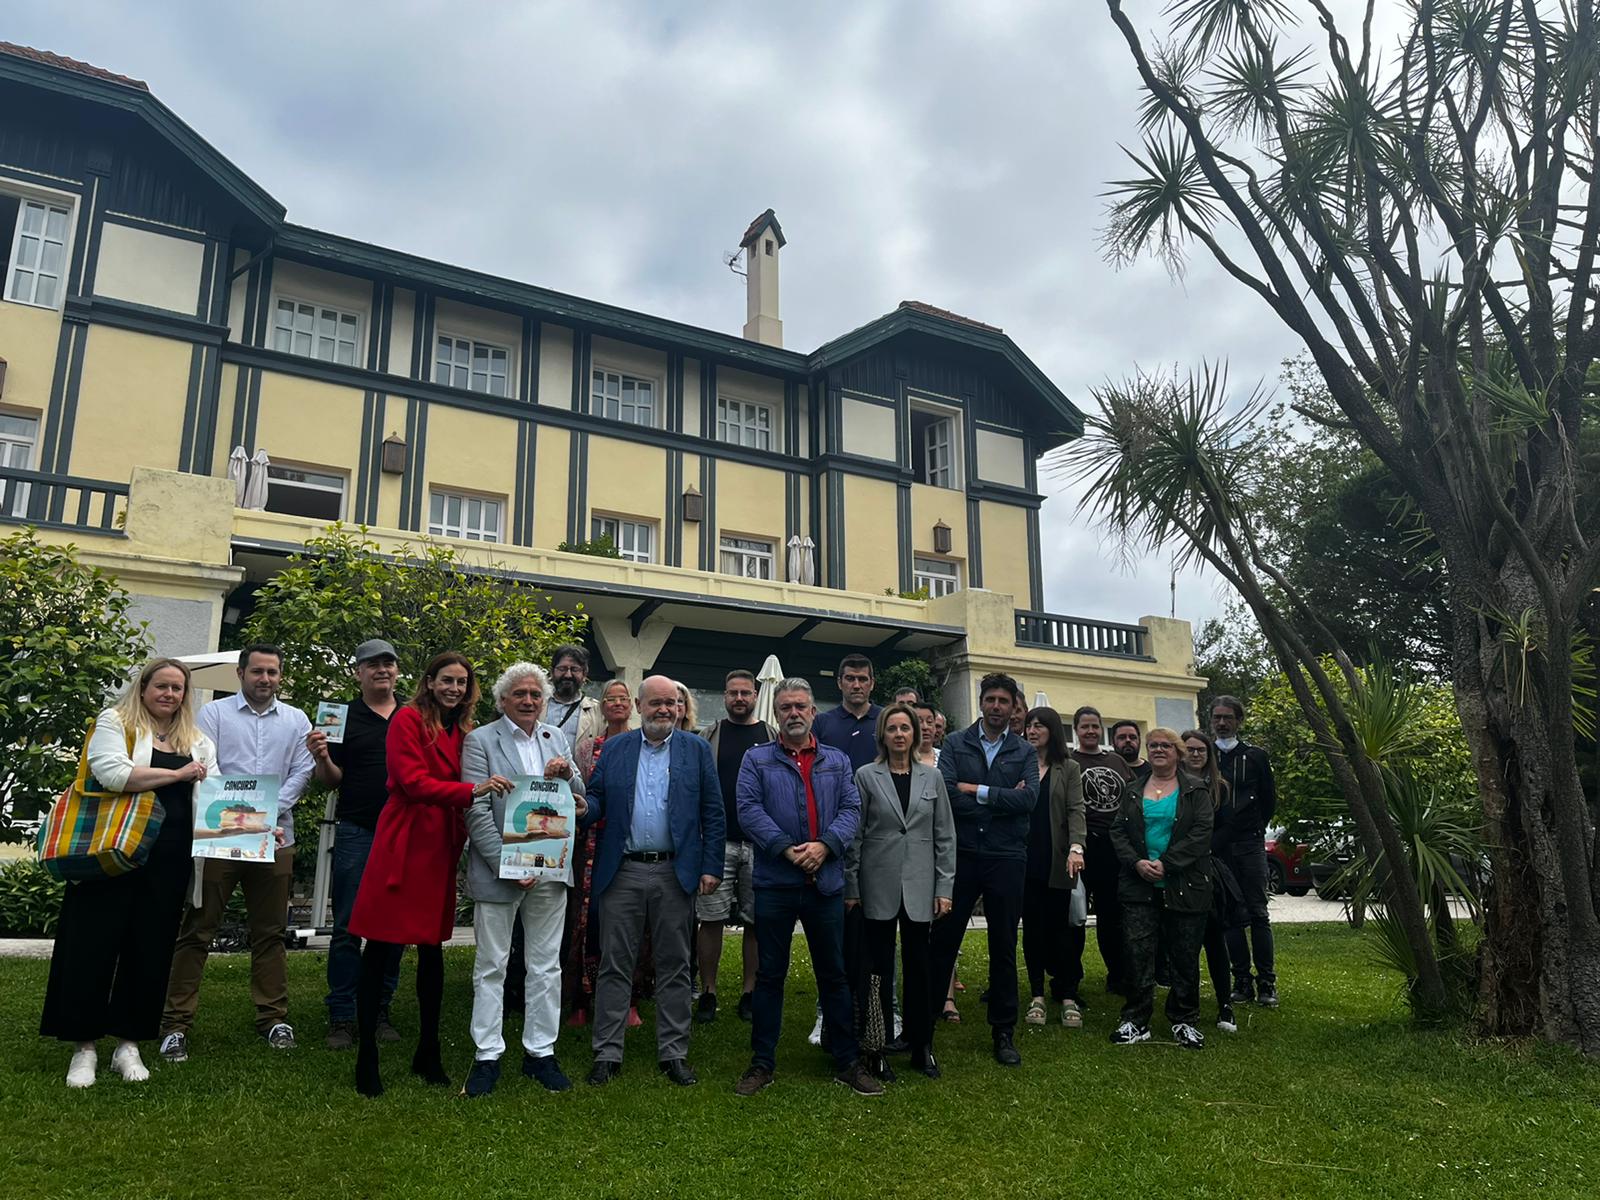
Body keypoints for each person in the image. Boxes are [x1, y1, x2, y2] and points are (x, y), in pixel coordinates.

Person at [41, 659, 220, 1088]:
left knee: (151, 951)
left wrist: (246, 822)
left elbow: (214, 794)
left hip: (169, 861)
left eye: (178, 688)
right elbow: (113, 773)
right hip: (111, 854)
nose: (170, 694)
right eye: (162, 686)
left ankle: (129, 1043)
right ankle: (83, 1049)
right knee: (90, 946)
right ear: (143, 688)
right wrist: (177, 774)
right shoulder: (116, 722)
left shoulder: (197, 741)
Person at [350, 651, 509, 1097]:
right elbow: (411, 782)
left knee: (431, 952)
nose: (454, 688)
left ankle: (429, 1050)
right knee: (379, 950)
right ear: (429, 681)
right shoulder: (406, 720)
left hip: (439, 846)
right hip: (403, 844)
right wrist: (472, 790)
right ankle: (368, 1057)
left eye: (462, 682)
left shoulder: (467, 733)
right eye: (447, 680)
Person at [160, 644, 312, 1061]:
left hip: (277, 836)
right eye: (257, 672)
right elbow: (207, 766)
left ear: (281, 676)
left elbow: (304, 770)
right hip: (219, 835)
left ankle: (273, 1018)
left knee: (270, 932)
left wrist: (269, 811)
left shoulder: (297, 720)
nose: (265, 679)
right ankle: (176, 1024)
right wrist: (247, 813)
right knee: (197, 929)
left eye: (273, 673)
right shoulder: (214, 715)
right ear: (241, 674)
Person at [732, 678, 881, 1097]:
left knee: (833, 974)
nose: (793, 713)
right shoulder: (756, 760)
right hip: (776, 882)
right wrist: (786, 850)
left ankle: (848, 1061)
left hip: (826, 883)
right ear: (775, 715)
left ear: (813, 712)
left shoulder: (836, 760)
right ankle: (762, 1062)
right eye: (785, 708)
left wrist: (826, 845)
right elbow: (748, 810)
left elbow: (852, 808)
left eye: (801, 706)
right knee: (769, 976)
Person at [580, 675, 724, 1088]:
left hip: (674, 871)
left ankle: (673, 1052)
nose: (665, 709)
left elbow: (713, 812)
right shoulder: (617, 749)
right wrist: (579, 805)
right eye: (656, 703)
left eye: (672, 703)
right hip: (622, 869)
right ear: (639, 706)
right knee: (614, 963)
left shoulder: (696, 750)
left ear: (680, 707)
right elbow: (597, 801)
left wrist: (710, 866)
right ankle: (607, 1052)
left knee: (676, 965)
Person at [461, 663, 587, 1096]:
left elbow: (580, 802)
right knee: (492, 965)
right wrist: (508, 864)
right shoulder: (480, 741)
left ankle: (540, 1052)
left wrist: (568, 776)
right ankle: (487, 1055)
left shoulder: (556, 738)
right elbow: (474, 809)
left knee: (546, 965)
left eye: (536, 694)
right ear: (502, 700)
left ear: (545, 700)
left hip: (550, 870)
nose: (529, 700)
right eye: (520, 694)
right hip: (501, 871)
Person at [926, 673, 1040, 1067]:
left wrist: (978, 791)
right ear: (981, 703)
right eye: (990, 699)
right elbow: (948, 794)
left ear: (1012, 707)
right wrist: (1000, 800)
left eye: (1003, 701)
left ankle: (1003, 1030)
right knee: (942, 939)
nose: (996, 706)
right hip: (962, 854)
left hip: (1007, 856)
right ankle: (923, 1026)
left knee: (1004, 945)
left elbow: (1029, 802)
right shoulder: (956, 743)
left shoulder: (1025, 751)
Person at [845, 704, 955, 1081]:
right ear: (882, 735)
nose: (898, 735)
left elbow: (945, 836)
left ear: (915, 734)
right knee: (877, 970)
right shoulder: (865, 776)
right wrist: (851, 886)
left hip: (921, 886)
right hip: (877, 884)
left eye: (905, 728)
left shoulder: (932, 778)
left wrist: (945, 887)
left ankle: (921, 1044)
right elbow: (855, 836)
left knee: (920, 968)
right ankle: (876, 1046)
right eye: (891, 728)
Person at [307, 639, 405, 1051]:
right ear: (358, 672)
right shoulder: (340, 717)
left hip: (404, 834)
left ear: (398, 671)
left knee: (393, 927)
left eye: (388, 663)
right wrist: (322, 758)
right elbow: (331, 781)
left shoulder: (413, 716)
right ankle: (342, 1016)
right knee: (347, 926)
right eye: (372, 665)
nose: (382, 670)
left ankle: (378, 1010)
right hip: (357, 830)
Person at [1108, 728, 1214, 1050]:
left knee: (1184, 956)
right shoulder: (1131, 790)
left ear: (1178, 752)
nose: (1157, 750)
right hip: (1139, 886)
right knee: (1138, 954)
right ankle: (1136, 1021)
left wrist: (1167, 863)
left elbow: (1201, 833)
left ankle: (1184, 1020)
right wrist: (1137, 863)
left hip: (1185, 885)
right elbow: (1118, 831)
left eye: (1165, 745)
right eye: (1152, 745)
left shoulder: (1196, 790)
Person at [695, 670, 773, 1025]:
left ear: (755, 695)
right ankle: (708, 991)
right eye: (733, 693)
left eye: (745, 692)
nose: (739, 698)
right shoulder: (709, 736)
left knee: (757, 922)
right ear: (724, 696)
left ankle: (750, 991)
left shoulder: (771, 737)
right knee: (709, 920)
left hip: (760, 845)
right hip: (718, 843)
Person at [565, 678, 635, 1025]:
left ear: (633, 705)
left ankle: (631, 998)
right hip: (592, 840)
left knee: (630, 920)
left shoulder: (644, 743)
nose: (618, 703)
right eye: (611, 698)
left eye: (624, 698)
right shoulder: (589, 747)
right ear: (602, 706)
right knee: (586, 917)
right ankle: (581, 996)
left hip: (632, 842)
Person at [1020, 707, 1087, 1030]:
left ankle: (1068, 994)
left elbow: (1076, 810)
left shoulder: (1068, 768)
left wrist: (1077, 847)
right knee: (1032, 930)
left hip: (1058, 859)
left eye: (1039, 726)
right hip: (1023, 859)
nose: (1032, 731)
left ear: (1052, 731)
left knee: (1062, 931)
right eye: (1029, 726)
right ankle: (1036, 995)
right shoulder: (1017, 764)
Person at [1211, 696, 1280, 1008]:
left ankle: (1267, 981)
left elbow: (1268, 799)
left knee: (1257, 913)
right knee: (1230, 915)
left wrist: (1252, 828)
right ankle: (1241, 979)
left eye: (1228, 717)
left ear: (1239, 721)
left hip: (1249, 846)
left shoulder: (1255, 757)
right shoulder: (1205, 754)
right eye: (1217, 717)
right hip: (1218, 847)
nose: (1222, 723)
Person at [1071, 706, 1135, 995]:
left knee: (1112, 915)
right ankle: (1071, 974)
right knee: (1075, 915)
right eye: (1085, 726)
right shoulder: (1068, 761)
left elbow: (1133, 799)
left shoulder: (1117, 761)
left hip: (1113, 847)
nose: (1090, 731)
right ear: (1076, 730)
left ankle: (1118, 974)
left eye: (1095, 726)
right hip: (1081, 846)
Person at [1183, 729, 1241, 1033]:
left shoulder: (1220, 788)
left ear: (1209, 755)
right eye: (1189, 749)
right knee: (1185, 944)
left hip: (1210, 871)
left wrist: (1201, 849)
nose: (1194, 754)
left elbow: (1228, 828)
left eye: (1200, 750)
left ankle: (1224, 1005)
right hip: (1179, 871)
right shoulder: (1170, 787)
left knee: (1215, 940)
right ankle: (1187, 1005)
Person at [813, 654, 881, 773]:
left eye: (862, 679)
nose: (856, 686)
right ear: (839, 683)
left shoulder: (887, 720)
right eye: (850, 679)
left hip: (877, 791)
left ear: (872, 684)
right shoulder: (820, 722)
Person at [548, 644, 602, 746]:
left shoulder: (597, 711)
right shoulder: (538, 706)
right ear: (552, 672)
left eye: (574, 669)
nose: (568, 675)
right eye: (562, 669)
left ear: (584, 674)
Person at [913, 702, 940, 767]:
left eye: (929, 722)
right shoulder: (902, 758)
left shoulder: (945, 756)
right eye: (919, 722)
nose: (925, 727)